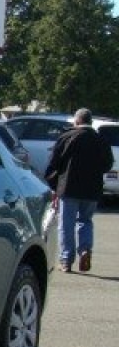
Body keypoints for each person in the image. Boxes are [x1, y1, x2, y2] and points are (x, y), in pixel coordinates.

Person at [44, 108, 115, 272]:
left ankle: (66, 260)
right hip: (92, 189)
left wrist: (53, 185)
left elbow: (54, 163)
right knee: (85, 221)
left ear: (76, 121)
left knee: (66, 224)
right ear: (90, 122)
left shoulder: (67, 137)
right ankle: (85, 250)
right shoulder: (100, 140)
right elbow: (107, 164)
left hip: (68, 188)